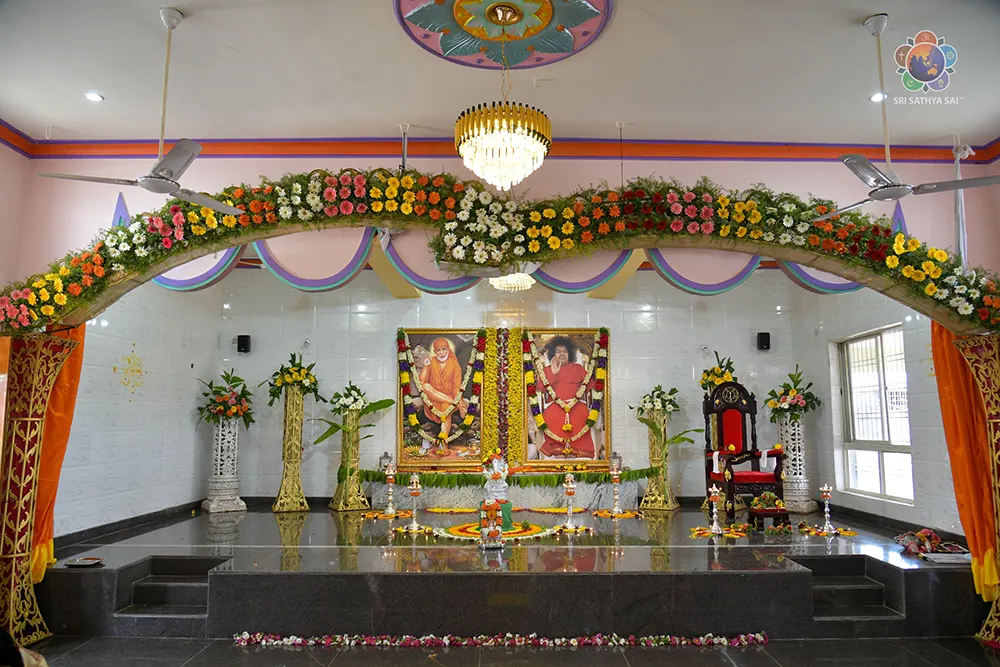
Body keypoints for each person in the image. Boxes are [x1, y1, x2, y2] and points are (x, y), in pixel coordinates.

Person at [538, 336, 596, 458]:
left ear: (569, 354)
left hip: (576, 405)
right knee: (550, 415)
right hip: (555, 406)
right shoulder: (547, 370)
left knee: (583, 414)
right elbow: (540, 389)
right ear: (553, 354)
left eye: (565, 351)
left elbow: (591, 386)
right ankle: (558, 450)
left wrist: (582, 391)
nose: (562, 354)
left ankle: (575, 452)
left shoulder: (578, 368)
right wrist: (553, 373)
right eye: (558, 351)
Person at [418, 337, 467, 453]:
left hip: (448, 397)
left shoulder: (454, 364)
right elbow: (422, 382)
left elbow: (456, 386)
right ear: (435, 351)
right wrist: (426, 366)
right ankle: (456, 404)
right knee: (426, 387)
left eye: (444, 349)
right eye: (438, 350)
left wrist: (457, 399)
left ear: (448, 350)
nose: (441, 353)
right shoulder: (431, 361)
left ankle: (444, 445)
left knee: (446, 409)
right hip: (433, 398)